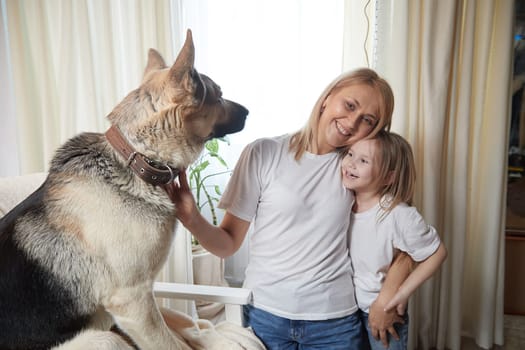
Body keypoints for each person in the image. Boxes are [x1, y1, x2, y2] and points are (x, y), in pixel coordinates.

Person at [165, 68, 411, 349]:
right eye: (350, 105)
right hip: (266, 317)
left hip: (335, 322)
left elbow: (406, 239)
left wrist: (387, 297)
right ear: (328, 98)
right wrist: (190, 217)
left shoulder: (358, 169)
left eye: (367, 120)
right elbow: (228, 244)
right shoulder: (263, 153)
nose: (352, 122)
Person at [341, 130, 448, 349]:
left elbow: (437, 253)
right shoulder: (343, 200)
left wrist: (401, 294)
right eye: (350, 154)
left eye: (363, 160)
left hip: (383, 310)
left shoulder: (398, 213)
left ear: (389, 177)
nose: (350, 164)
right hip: (347, 311)